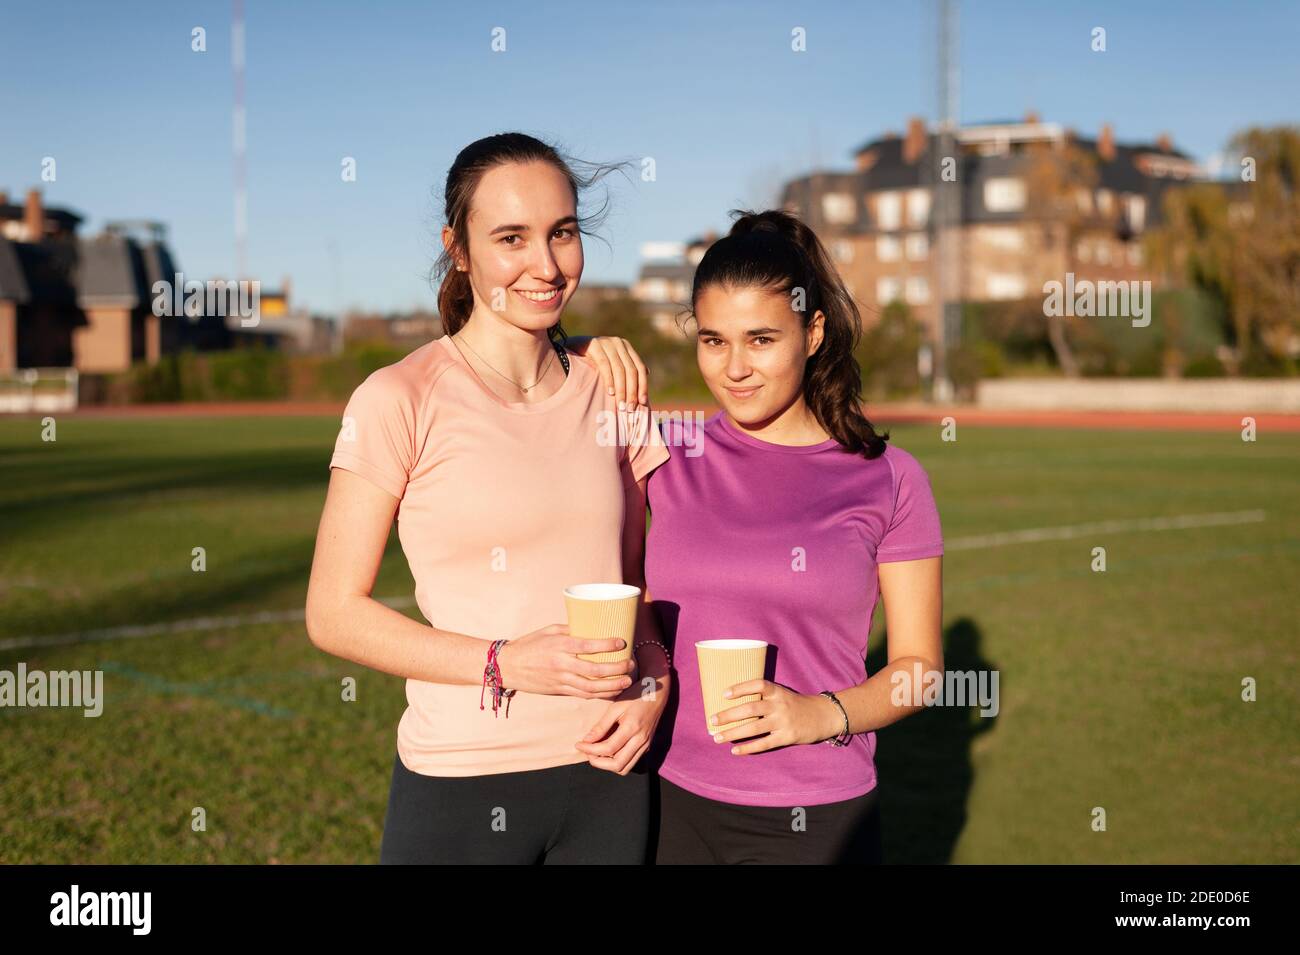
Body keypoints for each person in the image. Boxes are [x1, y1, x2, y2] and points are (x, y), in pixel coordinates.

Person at [304, 132, 672, 864]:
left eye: (562, 233)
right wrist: (502, 661)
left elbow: (639, 575)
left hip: (610, 773)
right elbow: (333, 612)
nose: (545, 264)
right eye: (512, 237)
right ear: (459, 248)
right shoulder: (397, 398)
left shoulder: (615, 389)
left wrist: (655, 676)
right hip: (460, 783)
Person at [640, 209, 945, 864]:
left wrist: (819, 714)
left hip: (817, 818)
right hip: (666, 799)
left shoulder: (890, 478)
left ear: (812, 332)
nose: (734, 368)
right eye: (714, 340)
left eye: (761, 339)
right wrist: (583, 344)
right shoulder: (665, 451)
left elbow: (920, 671)